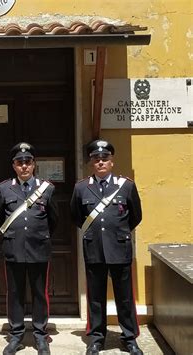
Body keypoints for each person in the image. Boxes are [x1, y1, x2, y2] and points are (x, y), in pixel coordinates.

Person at [70, 139, 143, 355]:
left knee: (125, 297)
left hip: (120, 248)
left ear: (111, 161)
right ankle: (96, 338)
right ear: (91, 162)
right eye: (96, 159)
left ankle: (129, 338)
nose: (100, 162)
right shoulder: (81, 187)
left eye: (105, 158)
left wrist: (118, 233)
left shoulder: (126, 185)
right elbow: (76, 216)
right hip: (94, 248)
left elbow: (135, 216)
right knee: (95, 296)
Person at [0, 142, 58, 355]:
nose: (24, 166)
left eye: (27, 162)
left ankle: (41, 336)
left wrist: (39, 235)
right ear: (13, 165)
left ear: (34, 164)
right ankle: (16, 336)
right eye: (19, 162)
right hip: (13, 249)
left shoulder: (47, 189)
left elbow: (54, 220)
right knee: (15, 294)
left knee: (40, 293)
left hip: (39, 249)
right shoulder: (4, 188)